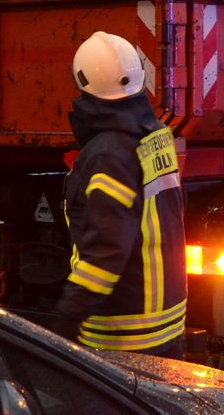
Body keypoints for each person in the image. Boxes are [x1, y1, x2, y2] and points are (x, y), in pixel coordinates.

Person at [54, 31, 187, 359]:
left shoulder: (106, 155)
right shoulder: (156, 135)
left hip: (122, 335)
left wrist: (65, 320)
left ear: (82, 84)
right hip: (167, 323)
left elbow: (106, 252)